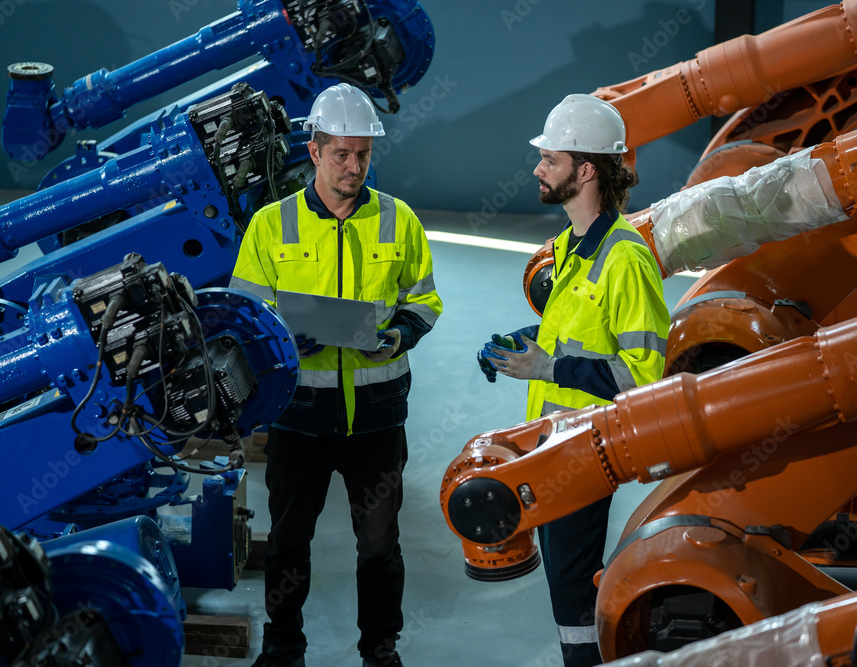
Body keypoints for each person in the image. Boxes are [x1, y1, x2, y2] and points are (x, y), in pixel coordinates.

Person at [230, 82, 442, 667]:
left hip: (376, 417)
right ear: (315, 150)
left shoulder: (400, 221)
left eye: (364, 155)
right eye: (342, 154)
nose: (354, 167)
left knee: (379, 545)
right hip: (299, 415)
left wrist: (400, 333)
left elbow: (425, 301)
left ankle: (380, 649)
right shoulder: (271, 227)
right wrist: (280, 340)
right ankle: (283, 645)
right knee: (290, 542)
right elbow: (245, 319)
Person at [477, 94, 669, 667]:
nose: (537, 168)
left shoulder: (625, 258)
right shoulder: (568, 247)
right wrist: (521, 343)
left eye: (550, 159)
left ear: (585, 170)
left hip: (586, 448)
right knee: (566, 585)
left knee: (572, 590)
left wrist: (548, 367)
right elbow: (571, 333)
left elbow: (644, 376)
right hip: (553, 440)